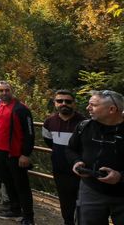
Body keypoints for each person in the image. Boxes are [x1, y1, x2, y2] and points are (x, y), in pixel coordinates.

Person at [67, 90, 124, 225]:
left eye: (93, 105)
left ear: (112, 109)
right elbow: (70, 149)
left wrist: (120, 177)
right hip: (91, 191)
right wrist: (76, 162)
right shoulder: (84, 126)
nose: (88, 108)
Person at [0, 81, 35, 224]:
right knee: (8, 182)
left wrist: (25, 154)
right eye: (1, 91)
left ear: (12, 90)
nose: (4, 93)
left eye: (7, 90)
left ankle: (28, 216)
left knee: (21, 185)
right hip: (0, 152)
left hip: (15, 154)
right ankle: (15, 209)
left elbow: (29, 133)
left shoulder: (21, 109)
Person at [42, 89, 85, 225]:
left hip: (81, 170)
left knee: (82, 203)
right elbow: (48, 141)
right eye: (60, 101)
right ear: (55, 103)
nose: (63, 104)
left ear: (74, 104)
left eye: (68, 101)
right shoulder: (49, 122)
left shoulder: (85, 123)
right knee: (65, 200)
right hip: (60, 169)